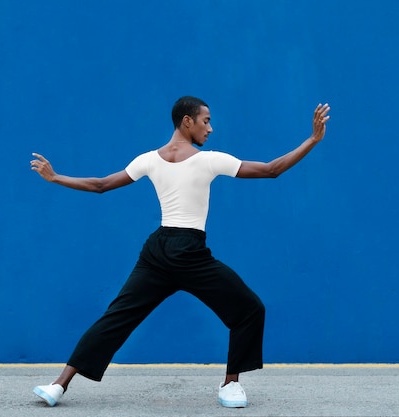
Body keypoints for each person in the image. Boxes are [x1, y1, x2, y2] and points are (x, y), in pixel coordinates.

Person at [30, 96, 330, 408]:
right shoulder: (209, 160)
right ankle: (230, 385)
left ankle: (58, 386)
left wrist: (56, 177)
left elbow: (100, 185)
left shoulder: (148, 159)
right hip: (187, 251)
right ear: (187, 121)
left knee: (115, 318)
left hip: (158, 250)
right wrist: (312, 139)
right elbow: (271, 170)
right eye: (206, 121)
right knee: (250, 310)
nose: (210, 128)